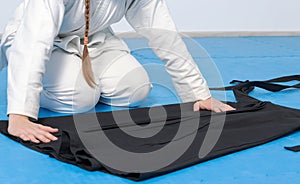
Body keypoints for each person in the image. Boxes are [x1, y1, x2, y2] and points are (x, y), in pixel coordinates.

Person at [0, 0, 235, 144]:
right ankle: (57, 83)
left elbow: (165, 35)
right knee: (80, 98)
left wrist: (198, 94)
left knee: (136, 88)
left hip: (92, 41)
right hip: (36, 42)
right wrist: (20, 114)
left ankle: (80, 79)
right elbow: (33, 43)